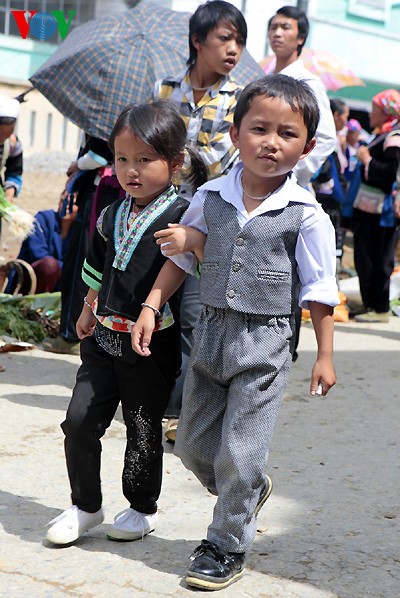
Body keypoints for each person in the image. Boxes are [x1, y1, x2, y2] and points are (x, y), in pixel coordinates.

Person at [132, 75, 339, 591]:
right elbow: (182, 254)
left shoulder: (307, 216)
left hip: (266, 342)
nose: (271, 142)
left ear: (307, 146)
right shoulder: (210, 194)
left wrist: (324, 355)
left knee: (240, 454)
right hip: (211, 336)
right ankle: (246, 491)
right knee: (194, 449)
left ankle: (225, 544)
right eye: (259, 129)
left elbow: (319, 289)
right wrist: (152, 305)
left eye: (287, 134)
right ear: (234, 132)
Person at [45, 100, 207, 546]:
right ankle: (85, 505)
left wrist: (152, 308)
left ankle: (140, 508)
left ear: (174, 164)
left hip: (149, 344)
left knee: (141, 427)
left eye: (144, 160)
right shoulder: (111, 213)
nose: (130, 171)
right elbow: (96, 266)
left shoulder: (185, 215)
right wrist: (86, 306)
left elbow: (187, 266)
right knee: (79, 420)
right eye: (121, 159)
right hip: (103, 334)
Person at [152, 0, 247, 442]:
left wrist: (173, 157)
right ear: (198, 40)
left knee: (191, 314)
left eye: (240, 42)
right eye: (225, 38)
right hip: (158, 212)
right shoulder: (165, 89)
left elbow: (223, 163)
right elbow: (150, 144)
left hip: (205, 220)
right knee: (153, 305)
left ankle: (180, 413)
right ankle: (151, 398)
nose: (234, 49)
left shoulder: (240, 99)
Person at [267, 5, 337, 361]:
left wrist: (290, 171)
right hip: (252, 188)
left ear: (300, 37)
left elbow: (326, 138)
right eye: (273, 26)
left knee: (289, 271)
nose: (277, 33)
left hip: (287, 190)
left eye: (286, 27)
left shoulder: (307, 82)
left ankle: (283, 348)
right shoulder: (262, 78)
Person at [42, 136, 115, 356]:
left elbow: (100, 154)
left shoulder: (101, 114)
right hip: (113, 193)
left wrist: (78, 165)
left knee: (80, 267)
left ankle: (70, 335)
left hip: (97, 193)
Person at [350, 89, 400, 323]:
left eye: (375, 109)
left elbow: (392, 173)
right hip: (368, 209)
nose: (370, 114)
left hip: (381, 212)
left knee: (378, 258)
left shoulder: (394, 138)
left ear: (386, 111)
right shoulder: (382, 134)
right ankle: (370, 302)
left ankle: (379, 308)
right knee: (365, 256)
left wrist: (367, 160)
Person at [4, 189, 77, 294]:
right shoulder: (42, 219)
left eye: (72, 204)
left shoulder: (79, 232)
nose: (66, 206)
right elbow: (38, 254)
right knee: (49, 265)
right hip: (30, 279)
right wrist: (67, 268)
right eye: (63, 200)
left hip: (61, 283)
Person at [312, 99, 349, 268]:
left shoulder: (336, 139)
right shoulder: (325, 139)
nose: (346, 122)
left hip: (331, 199)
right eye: (345, 117)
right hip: (325, 199)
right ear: (336, 115)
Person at [0, 94, 23, 237]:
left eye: (8, 132)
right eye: (0, 133)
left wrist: (9, 193)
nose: (3, 137)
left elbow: (14, 172)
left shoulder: (13, 144)